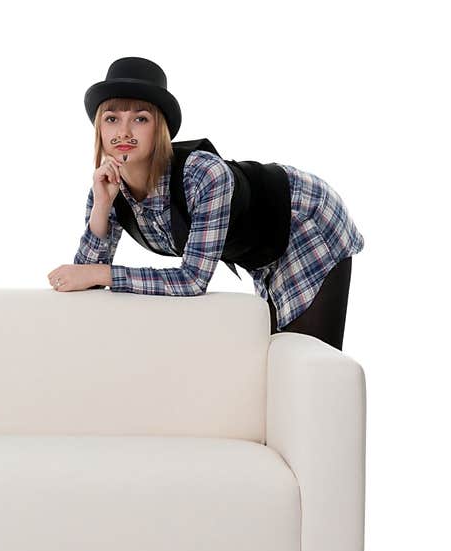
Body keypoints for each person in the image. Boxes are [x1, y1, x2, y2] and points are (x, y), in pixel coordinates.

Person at [48, 57, 363, 351]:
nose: (124, 132)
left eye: (140, 118)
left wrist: (102, 274)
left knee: (305, 361)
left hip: (305, 219)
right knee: (270, 361)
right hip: (259, 250)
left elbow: (192, 280)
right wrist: (101, 208)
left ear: (160, 130)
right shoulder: (108, 188)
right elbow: (82, 280)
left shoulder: (203, 175)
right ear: (99, 130)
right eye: (112, 118)